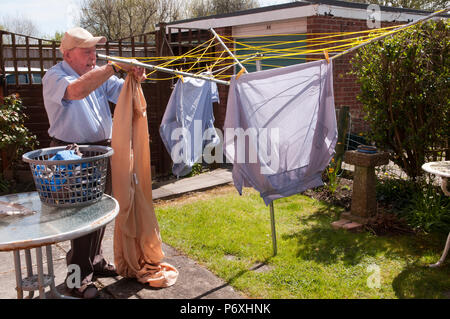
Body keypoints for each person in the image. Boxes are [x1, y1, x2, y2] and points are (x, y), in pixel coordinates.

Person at [42, 27, 145, 299]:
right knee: (81, 219)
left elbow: (122, 93)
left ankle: (96, 262)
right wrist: (112, 68)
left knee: (100, 211)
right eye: (86, 51)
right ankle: (77, 278)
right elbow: (76, 91)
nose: (93, 56)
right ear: (68, 54)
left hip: (102, 152)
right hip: (72, 155)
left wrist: (135, 78)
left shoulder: (98, 74)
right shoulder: (55, 76)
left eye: (94, 50)